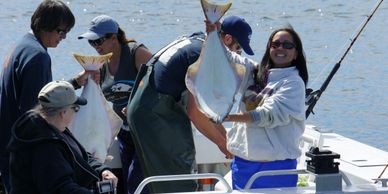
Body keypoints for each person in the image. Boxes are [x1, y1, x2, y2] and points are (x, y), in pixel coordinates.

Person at [126, 16, 254, 193]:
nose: (237, 55)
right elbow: (195, 113)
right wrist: (223, 144)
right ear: (227, 39)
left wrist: (226, 139)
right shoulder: (203, 55)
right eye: (238, 49)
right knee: (179, 180)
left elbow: (204, 111)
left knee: (152, 173)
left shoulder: (195, 40)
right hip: (158, 115)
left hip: (142, 107)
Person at [0, 1, 97, 192]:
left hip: (9, 145)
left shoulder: (21, 46)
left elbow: (43, 99)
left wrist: (75, 83)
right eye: (61, 31)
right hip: (24, 151)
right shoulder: (38, 56)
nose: (64, 37)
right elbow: (40, 112)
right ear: (45, 26)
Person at [208, 22, 308, 189]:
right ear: (269, 49)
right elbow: (228, 58)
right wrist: (213, 34)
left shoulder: (294, 83)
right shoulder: (254, 72)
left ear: (296, 53)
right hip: (242, 166)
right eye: (275, 44)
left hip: (275, 170)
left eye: (287, 45)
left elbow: (266, 115)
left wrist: (226, 117)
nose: (280, 48)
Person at [78, 15, 153, 194]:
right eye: (91, 42)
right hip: (124, 136)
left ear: (114, 38)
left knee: (136, 184)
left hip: (145, 133)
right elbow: (93, 101)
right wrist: (87, 81)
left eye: (99, 41)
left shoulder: (137, 52)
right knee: (126, 185)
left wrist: (136, 106)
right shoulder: (101, 65)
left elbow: (160, 83)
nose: (96, 46)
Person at [7, 80, 118, 194]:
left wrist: (102, 170)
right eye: (75, 108)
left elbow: (79, 155)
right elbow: (60, 189)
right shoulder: (45, 146)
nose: (75, 113)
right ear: (63, 113)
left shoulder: (52, 125)